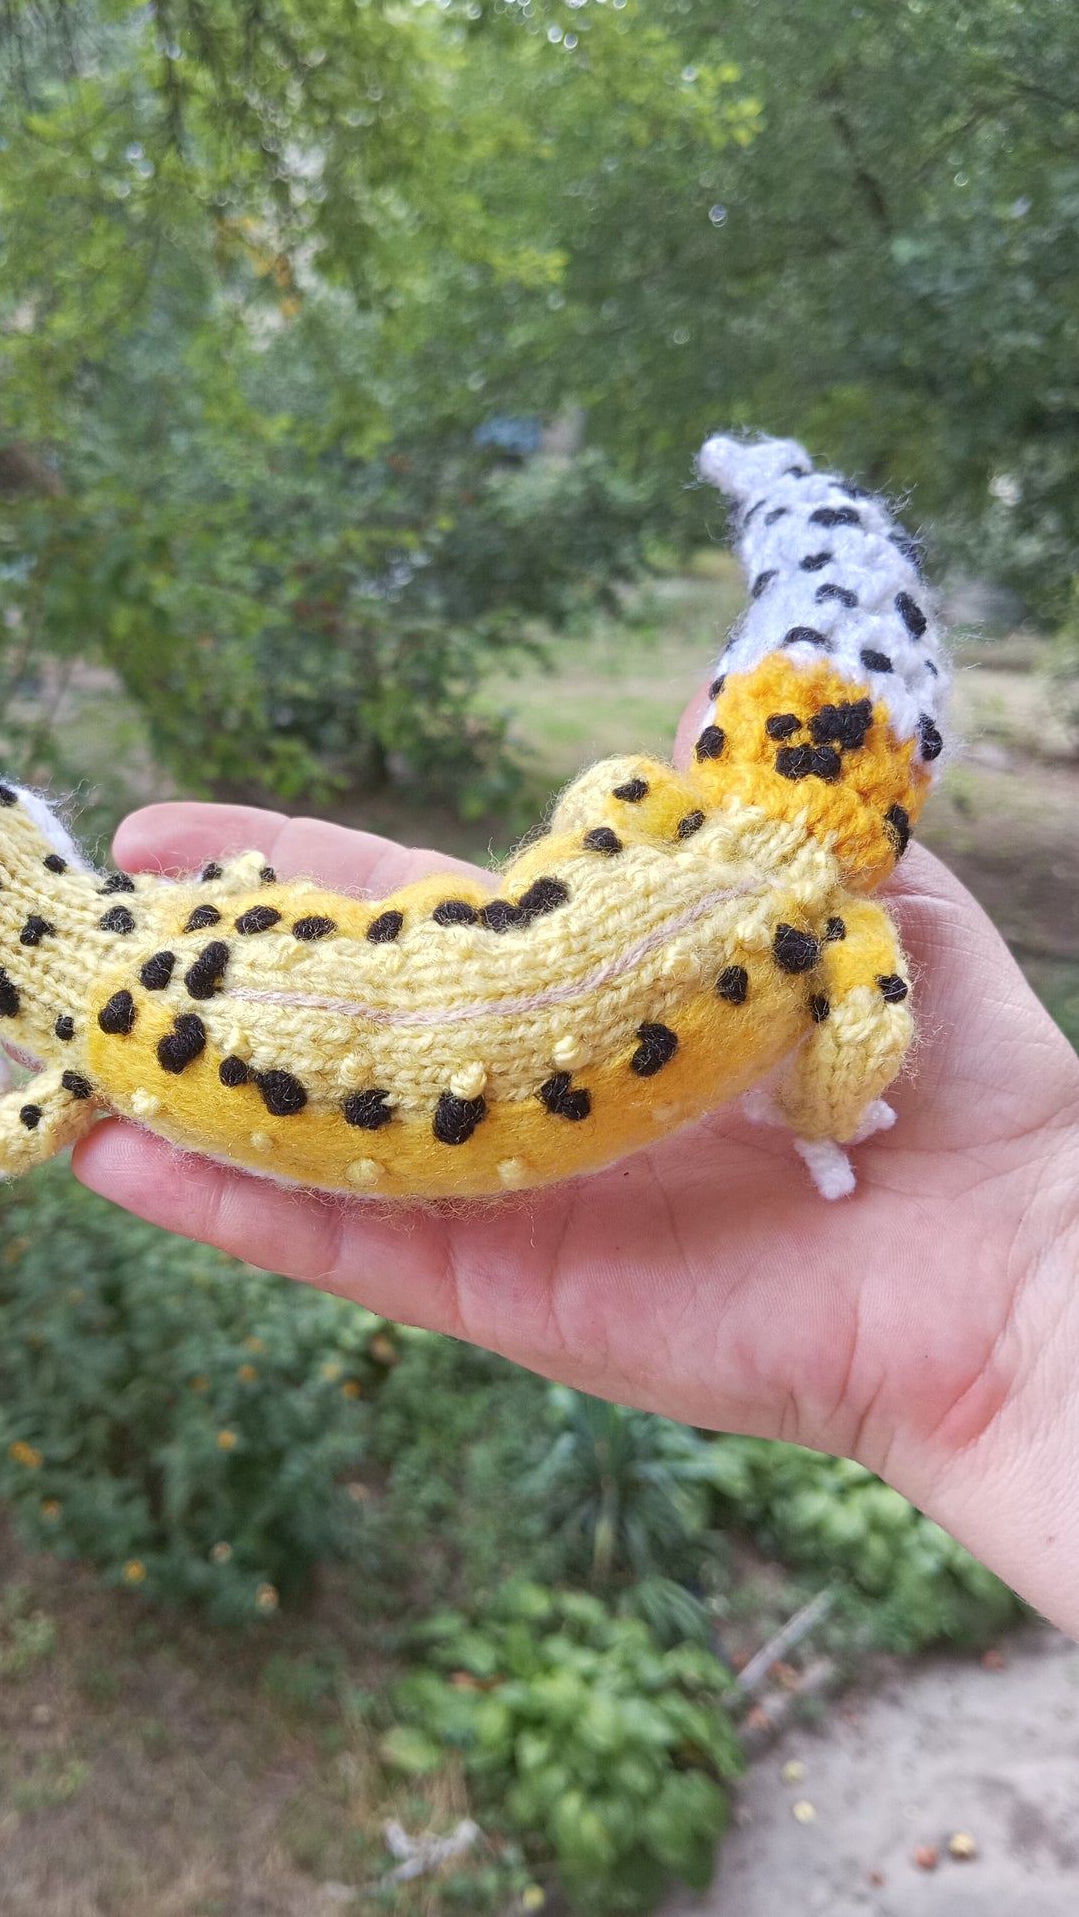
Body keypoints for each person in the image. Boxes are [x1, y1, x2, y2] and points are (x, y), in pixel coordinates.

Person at [74, 687, 1079, 1637]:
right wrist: (816, 1116)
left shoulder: (656, 806)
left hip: (415, 1014)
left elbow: (599, 800)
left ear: (721, 736)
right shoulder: (844, 929)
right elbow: (855, 1047)